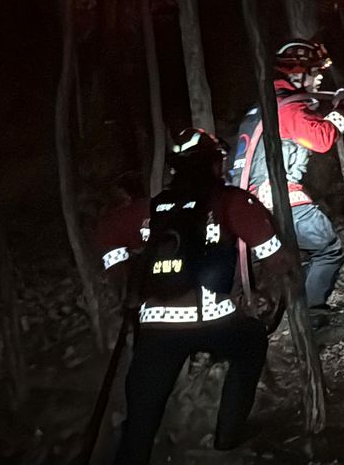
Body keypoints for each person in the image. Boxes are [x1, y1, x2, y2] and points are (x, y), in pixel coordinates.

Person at [98, 128, 294, 465]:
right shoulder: (231, 201)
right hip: (214, 319)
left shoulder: (151, 209)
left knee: (143, 414)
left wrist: (128, 276)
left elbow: (105, 235)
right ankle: (228, 434)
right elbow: (275, 258)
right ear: (215, 165)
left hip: (155, 328)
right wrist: (286, 284)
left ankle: (132, 454)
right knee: (251, 342)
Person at [227, 39, 344, 327]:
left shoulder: (263, 106)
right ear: (297, 73)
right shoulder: (286, 107)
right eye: (315, 71)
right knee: (328, 249)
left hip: (250, 202)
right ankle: (312, 317)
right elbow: (321, 138)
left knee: (306, 255)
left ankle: (301, 311)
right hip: (277, 196)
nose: (319, 76)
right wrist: (343, 110)